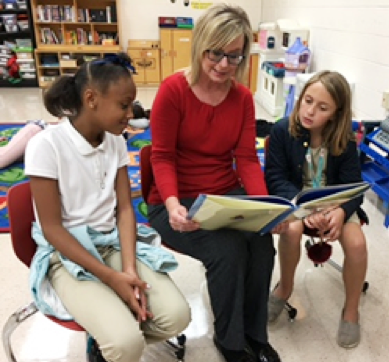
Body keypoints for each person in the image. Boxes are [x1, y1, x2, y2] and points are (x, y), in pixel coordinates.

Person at [24, 53, 191, 362]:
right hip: (67, 256)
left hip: (111, 244)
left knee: (177, 317)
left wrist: (128, 270)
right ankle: (113, 341)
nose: (131, 115)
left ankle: (108, 340)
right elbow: (52, 229)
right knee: (126, 343)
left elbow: (125, 210)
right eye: (124, 105)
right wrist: (111, 278)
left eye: (132, 106)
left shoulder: (114, 141)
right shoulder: (46, 146)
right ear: (91, 99)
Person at [147, 4, 282, 362]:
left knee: (262, 244)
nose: (224, 65)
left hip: (225, 194)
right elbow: (162, 156)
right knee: (227, 251)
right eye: (216, 53)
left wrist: (264, 208)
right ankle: (230, 340)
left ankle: (255, 334)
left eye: (234, 56)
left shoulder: (242, 99)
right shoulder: (173, 91)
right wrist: (174, 203)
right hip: (173, 200)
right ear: (200, 46)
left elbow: (248, 160)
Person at [265, 70, 368, 349]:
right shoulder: (282, 130)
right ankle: (284, 287)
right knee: (291, 230)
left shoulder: (344, 140)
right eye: (307, 100)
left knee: (357, 244)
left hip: (336, 205)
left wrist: (340, 211)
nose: (310, 111)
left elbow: (354, 186)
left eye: (322, 107)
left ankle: (351, 310)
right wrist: (304, 207)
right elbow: (275, 178)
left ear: (335, 113)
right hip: (298, 203)